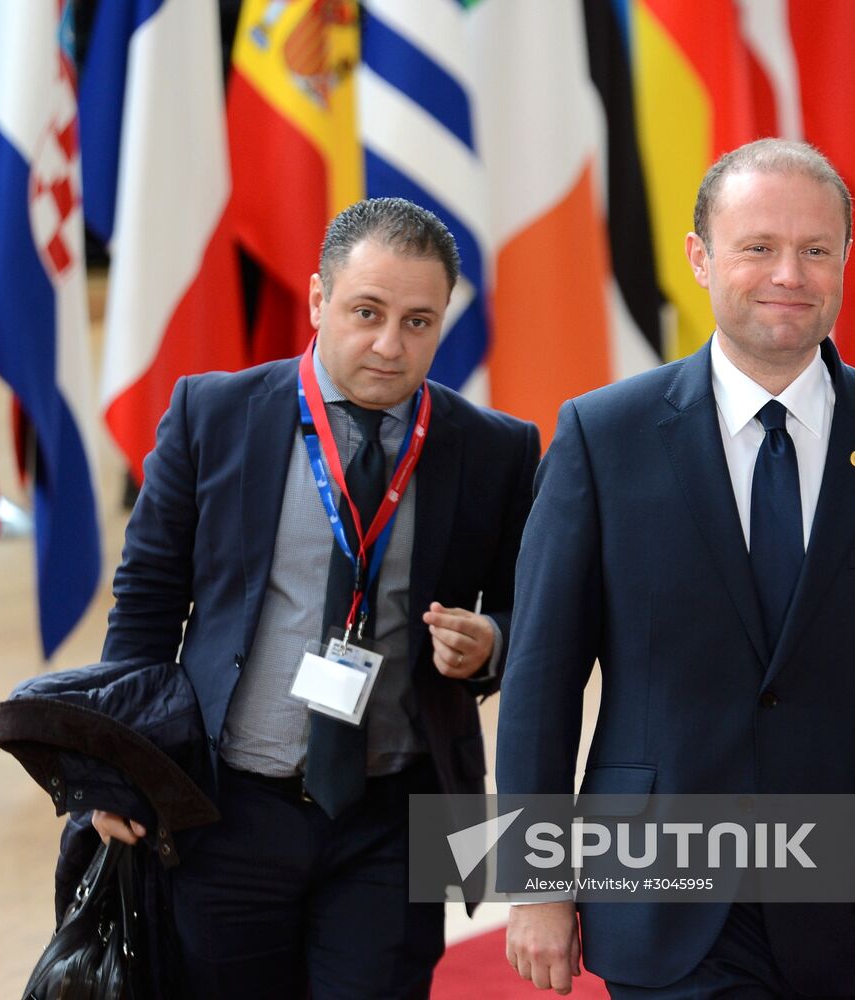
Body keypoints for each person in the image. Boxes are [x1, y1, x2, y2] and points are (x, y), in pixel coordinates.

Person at [497, 139, 855, 998]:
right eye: (758, 248)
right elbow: (541, 679)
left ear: (847, 261)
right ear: (700, 260)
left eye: (816, 250)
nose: (790, 273)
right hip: (662, 894)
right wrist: (535, 877)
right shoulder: (604, 438)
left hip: (851, 897)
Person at [92, 196, 540, 999]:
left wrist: (491, 642)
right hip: (225, 807)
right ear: (316, 300)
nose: (388, 345)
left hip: (398, 816)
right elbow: (147, 603)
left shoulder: (495, 448)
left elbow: (525, 611)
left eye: (417, 322)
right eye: (366, 312)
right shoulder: (214, 415)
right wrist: (117, 773)